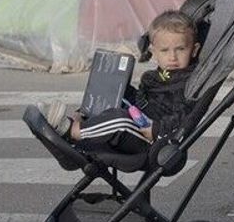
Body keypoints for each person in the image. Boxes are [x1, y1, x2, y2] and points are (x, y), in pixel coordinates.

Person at [44, 10, 201, 155]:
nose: (172, 57)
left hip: (153, 140)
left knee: (120, 120)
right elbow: (144, 102)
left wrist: (155, 130)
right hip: (141, 119)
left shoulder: (187, 82)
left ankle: (72, 131)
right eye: (165, 50)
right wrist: (121, 90)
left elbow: (184, 116)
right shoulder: (158, 76)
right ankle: (82, 119)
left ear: (193, 50)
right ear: (154, 52)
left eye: (180, 49)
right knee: (111, 94)